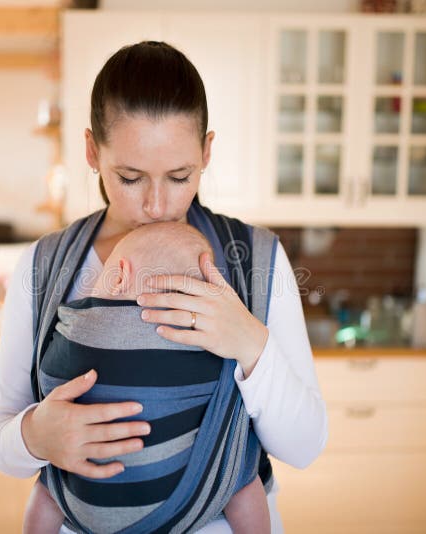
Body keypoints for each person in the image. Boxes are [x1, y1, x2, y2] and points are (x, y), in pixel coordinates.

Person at [0, 40, 328, 533]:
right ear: (90, 150)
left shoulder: (256, 260)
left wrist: (249, 342)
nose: (157, 204)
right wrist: (35, 436)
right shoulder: (43, 267)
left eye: (180, 175)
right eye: (129, 176)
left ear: (207, 152)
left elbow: (305, 446)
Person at [24, 221, 270, 534]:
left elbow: (47, 380)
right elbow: (231, 395)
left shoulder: (75, 325)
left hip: (85, 506)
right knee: (242, 469)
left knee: (47, 486)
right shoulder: (210, 341)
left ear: (119, 276)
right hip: (183, 503)